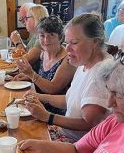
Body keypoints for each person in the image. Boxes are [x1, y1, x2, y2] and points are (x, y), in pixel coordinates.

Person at [23, 13, 110, 142]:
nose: (67, 48)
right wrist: (40, 97)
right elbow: (69, 100)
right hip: (63, 131)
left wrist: (48, 117)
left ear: (94, 42)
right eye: (67, 42)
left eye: (74, 43)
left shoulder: (102, 74)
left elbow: (89, 124)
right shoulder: (83, 63)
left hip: (76, 144)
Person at [14, 16, 76, 115]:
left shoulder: (68, 60)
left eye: (51, 35)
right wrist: (28, 77)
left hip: (54, 114)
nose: (46, 40)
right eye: (42, 35)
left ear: (60, 37)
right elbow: (44, 79)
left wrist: (31, 75)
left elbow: (53, 88)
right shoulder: (43, 53)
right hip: (37, 105)